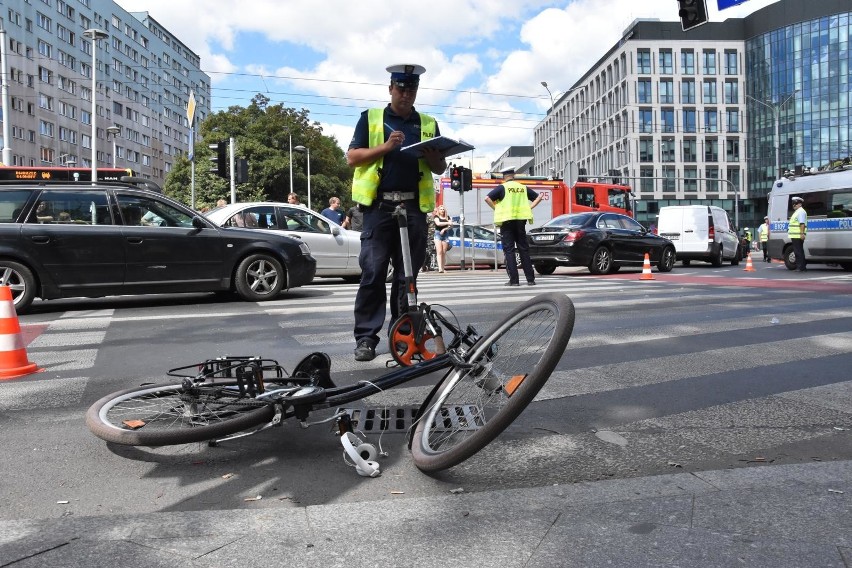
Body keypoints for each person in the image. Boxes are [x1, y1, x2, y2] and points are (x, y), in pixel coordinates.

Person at [346, 63, 447, 362]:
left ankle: (401, 337)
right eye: (401, 89)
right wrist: (387, 147)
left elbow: (439, 168)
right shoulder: (371, 118)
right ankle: (366, 338)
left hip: (413, 208)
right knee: (374, 272)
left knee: (407, 278)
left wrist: (434, 159)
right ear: (390, 89)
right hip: (379, 208)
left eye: (412, 89)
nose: (406, 94)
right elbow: (353, 157)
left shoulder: (427, 123)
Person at [485, 167, 542, 286]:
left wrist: (496, 209)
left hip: (507, 221)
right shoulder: (522, 187)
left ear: (503, 177)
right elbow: (538, 197)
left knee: (509, 250)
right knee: (524, 250)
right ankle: (530, 279)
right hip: (521, 221)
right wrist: (529, 207)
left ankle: (514, 280)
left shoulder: (502, 187)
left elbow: (487, 198)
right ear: (514, 175)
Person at [788, 196, 807, 271]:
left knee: (798, 252)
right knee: (799, 251)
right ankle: (802, 266)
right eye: (793, 204)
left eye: (795, 204)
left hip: (798, 235)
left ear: (799, 204)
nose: (793, 206)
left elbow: (802, 223)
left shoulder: (801, 212)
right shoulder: (798, 211)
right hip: (795, 235)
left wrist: (802, 234)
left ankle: (800, 267)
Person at [432, 205, 452, 273]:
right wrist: (447, 222)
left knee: (443, 252)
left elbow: (451, 225)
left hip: (445, 234)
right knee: (439, 251)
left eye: (443, 209)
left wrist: (444, 229)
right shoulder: (436, 217)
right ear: (438, 210)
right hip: (438, 234)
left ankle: (443, 268)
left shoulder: (447, 217)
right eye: (441, 209)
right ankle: (440, 268)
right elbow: (438, 224)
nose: (442, 210)